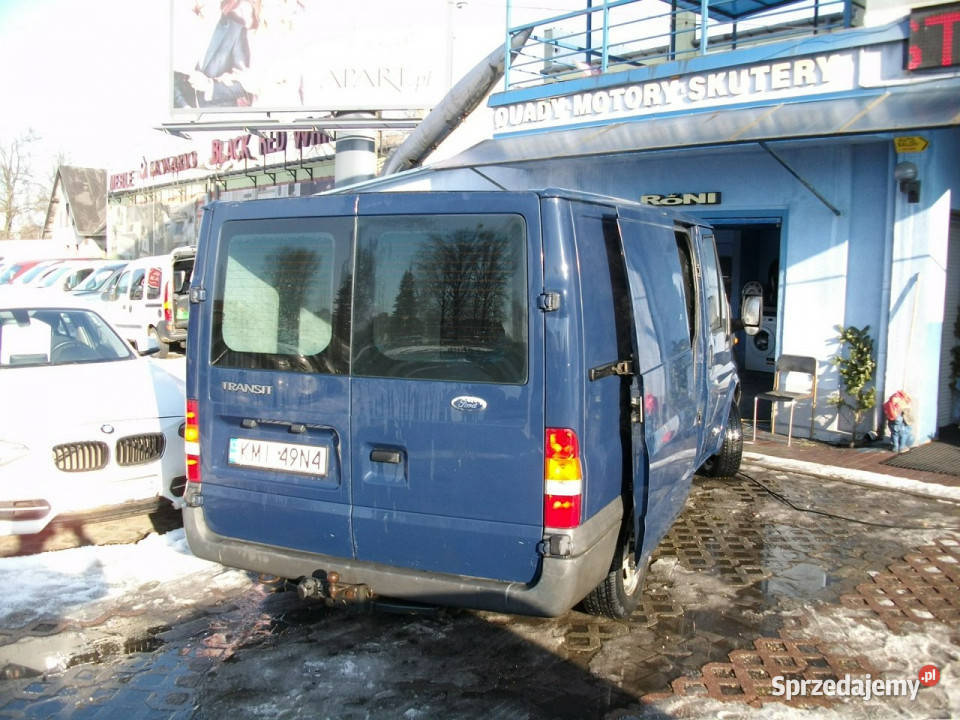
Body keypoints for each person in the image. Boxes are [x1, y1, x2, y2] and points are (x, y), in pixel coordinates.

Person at [173, 0, 261, 108]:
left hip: (217, 115)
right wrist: (184, 107)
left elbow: (242, 87)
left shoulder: (236, 31)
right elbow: (172, 76)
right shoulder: (185, 26)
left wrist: (210, 87)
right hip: (184, 112)